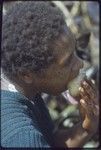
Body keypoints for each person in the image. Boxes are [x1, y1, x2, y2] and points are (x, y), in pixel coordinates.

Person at [1, 1, 99, 148]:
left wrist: (86, 128)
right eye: (67, 62)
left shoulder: (26, 89)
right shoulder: (22, 139)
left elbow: (50, 140)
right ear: (27, 75)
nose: (80, 64)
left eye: (75, 52)